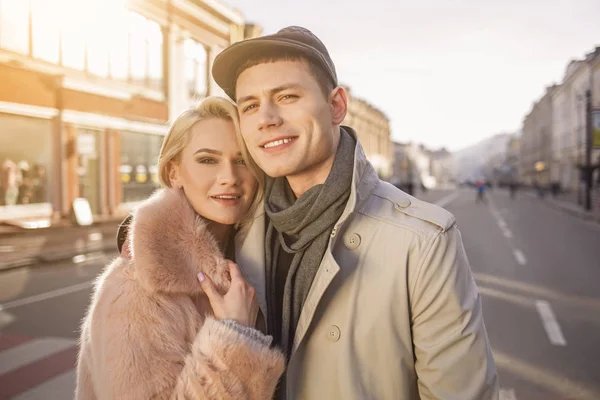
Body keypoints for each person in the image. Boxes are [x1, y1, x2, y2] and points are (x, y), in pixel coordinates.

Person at [211, 26, 499, 399]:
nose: (266, 118)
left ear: (336, 106)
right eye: (249, 105)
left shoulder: (424, 241)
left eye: (286, 96)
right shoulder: (237, 229)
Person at [76, 97, 285, 399]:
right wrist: (234, 333)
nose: (229, 177)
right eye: (207, 160)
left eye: (242, 161)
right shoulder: (136, 287)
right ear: (174, 173)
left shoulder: (257, 263)